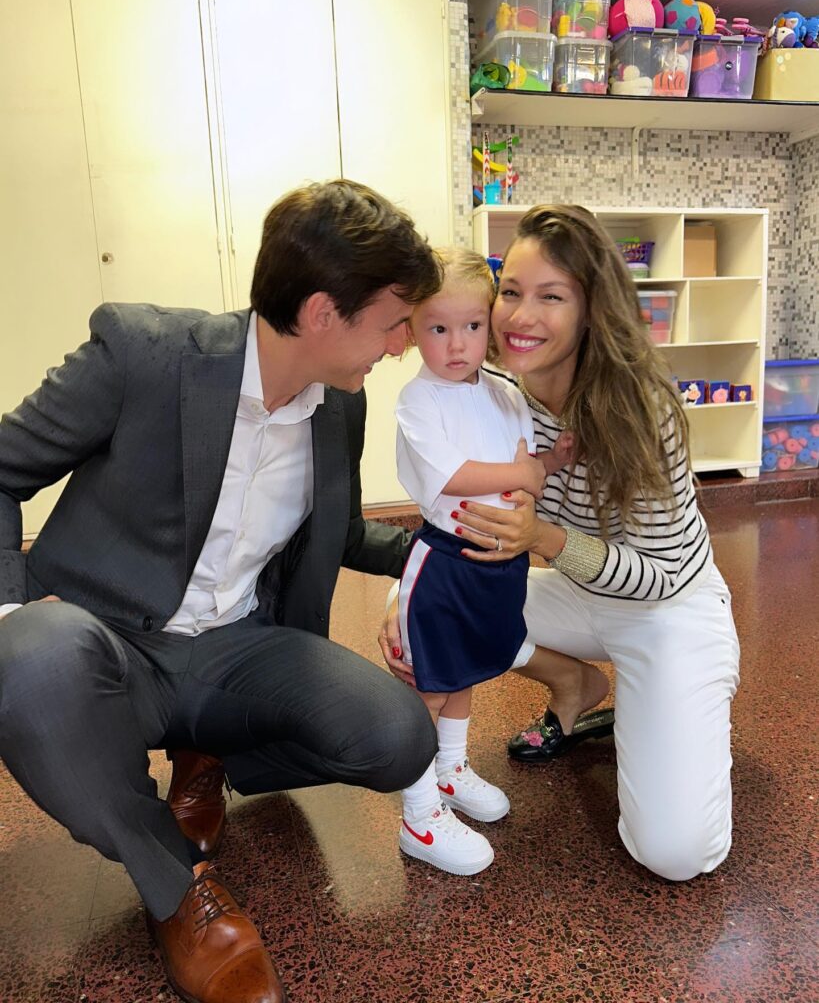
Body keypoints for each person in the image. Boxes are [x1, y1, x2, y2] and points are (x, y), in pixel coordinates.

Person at [0, 179, 443, 1003]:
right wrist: (10, 607)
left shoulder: (338, 407)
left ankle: (206, 753)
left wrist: (441, 557)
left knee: (397, 739)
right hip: (109, 643)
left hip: (234, 645)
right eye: (393, 323)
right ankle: (177, 889)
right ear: (322, 313)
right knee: (27, 654)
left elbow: (341, 531)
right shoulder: (142, 354)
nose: (399, 346)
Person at [384, 205, 741, 883]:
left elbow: (662, 574)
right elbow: (456, 521)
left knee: (676, 854)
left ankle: (672, 694)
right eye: (512, 292)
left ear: (590, 311)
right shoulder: (497, 392)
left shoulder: (642, 411)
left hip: (667, 607)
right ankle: (573, 682)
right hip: (575, 593)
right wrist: (403, 596)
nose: (521, 316)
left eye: (551, 297)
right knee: (419, 612)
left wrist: (543, 537)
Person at [391, 248, 572, 876]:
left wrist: (550, 464)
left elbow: (524, 464)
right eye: (438, 328)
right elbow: (456, 474)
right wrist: (525, 473)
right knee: (428, 687)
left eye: (471, 325)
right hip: (447, 562)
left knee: (462, 672)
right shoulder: (419, 400)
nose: (457, 344)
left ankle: (450, 770)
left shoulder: (502, 391)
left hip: (500, 564)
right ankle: (418, 816)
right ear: (411, 329)